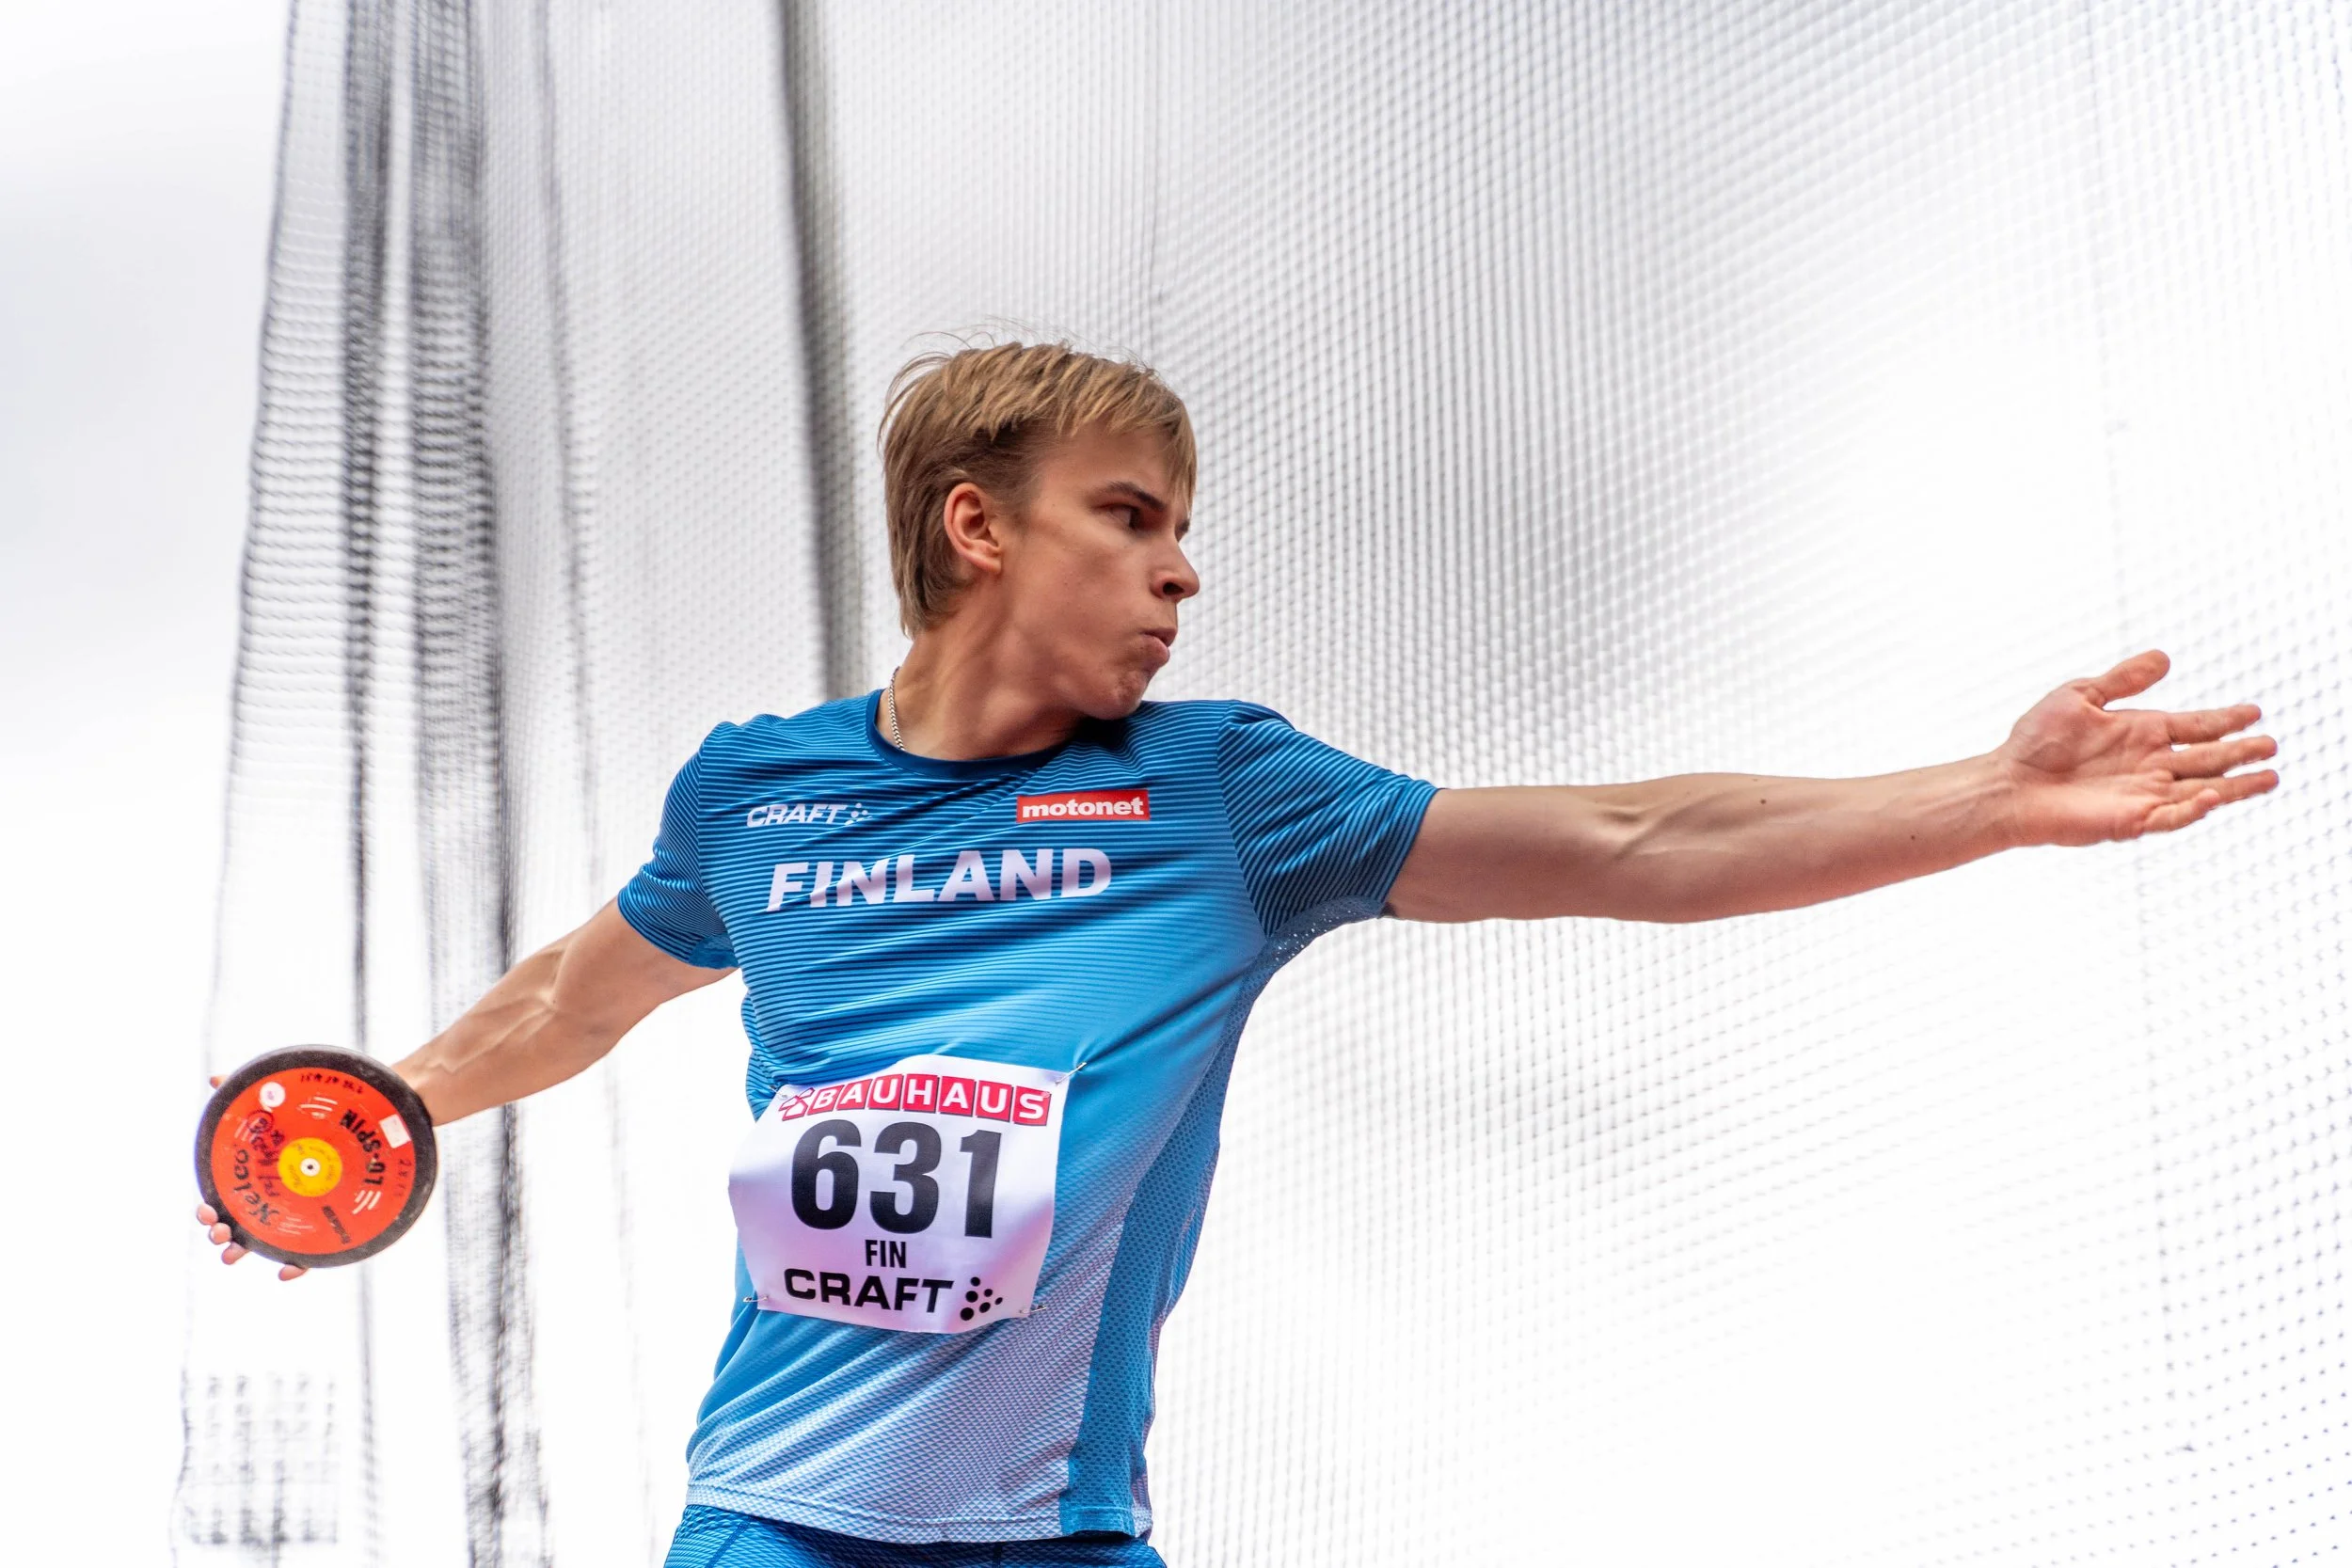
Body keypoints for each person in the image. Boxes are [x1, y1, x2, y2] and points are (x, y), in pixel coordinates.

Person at [199, 341, 2280, 1566]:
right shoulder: (759, 796)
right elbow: (573, 992)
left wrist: (1984, 794)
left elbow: (1640, 838)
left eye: (1186, 523)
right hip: (765, 1515)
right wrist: (376, 1112)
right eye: (1128, 511)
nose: (1182, 564)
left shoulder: (1220, 795)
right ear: (974, 527)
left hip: (1050, 1532)